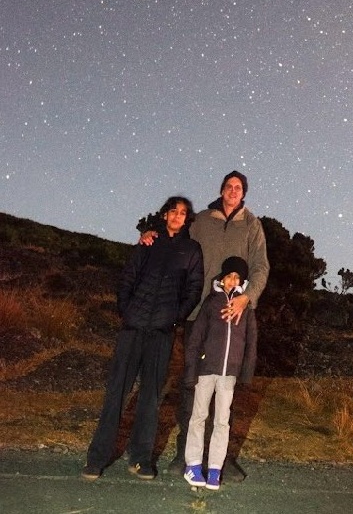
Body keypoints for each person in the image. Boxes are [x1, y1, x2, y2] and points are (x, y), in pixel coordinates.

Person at [140, 170, 269, 472]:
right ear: (222, 190)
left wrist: (246, 297)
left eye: (238, 187)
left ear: (244, 192)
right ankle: (187, 452)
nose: (233, 191)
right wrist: (151, 233)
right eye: (228, 186)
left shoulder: (252, 225)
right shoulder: (200, 220)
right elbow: (175, 233)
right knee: (193, 383)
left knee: (227, 388)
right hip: (199, 312)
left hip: (233, 316)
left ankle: (223, 458)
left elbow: (261, 266)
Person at [82, 196, 204, 481]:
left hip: (162, 333)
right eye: (173, 211)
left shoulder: (191, 250)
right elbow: (128, 278)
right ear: (165, 215)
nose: (177, 216)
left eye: (183, 213)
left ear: (187, 219)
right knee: (116, 394)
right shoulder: (148, 243)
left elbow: (194, 288)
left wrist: (174, 317)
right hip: (133, 328)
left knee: (150, 397)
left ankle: (140, 459)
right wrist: (126, 311)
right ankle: (97, 458)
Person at [183, 255, 257, 490]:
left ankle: (215, 468)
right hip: (206, 370)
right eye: (229, 276)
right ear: (222, 278)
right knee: (199, 416)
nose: (233, 281)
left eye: (237, 278)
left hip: (229, 374)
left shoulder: (247, 308)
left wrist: (246, 372)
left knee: (222, 421)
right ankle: (193, 465)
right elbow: (196, 337)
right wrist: (191, 368)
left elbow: (251, 341)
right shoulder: (211, 302)